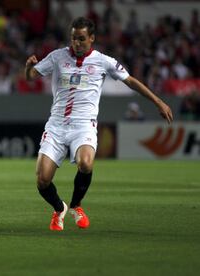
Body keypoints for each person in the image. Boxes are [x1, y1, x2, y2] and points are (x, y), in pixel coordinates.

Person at [25, 17, 173, 231]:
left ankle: (76, 205)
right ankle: (59, 209)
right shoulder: (57, 57)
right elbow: (31, 76)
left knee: (86, 163)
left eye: (82, 39)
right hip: (56, 125)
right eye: (74, 38)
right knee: (42, 180)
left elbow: (130, 81)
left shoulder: (103, 61)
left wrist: (158, 102)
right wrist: (28, 68)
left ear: (92, 38)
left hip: (84, 125)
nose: (77, 43)